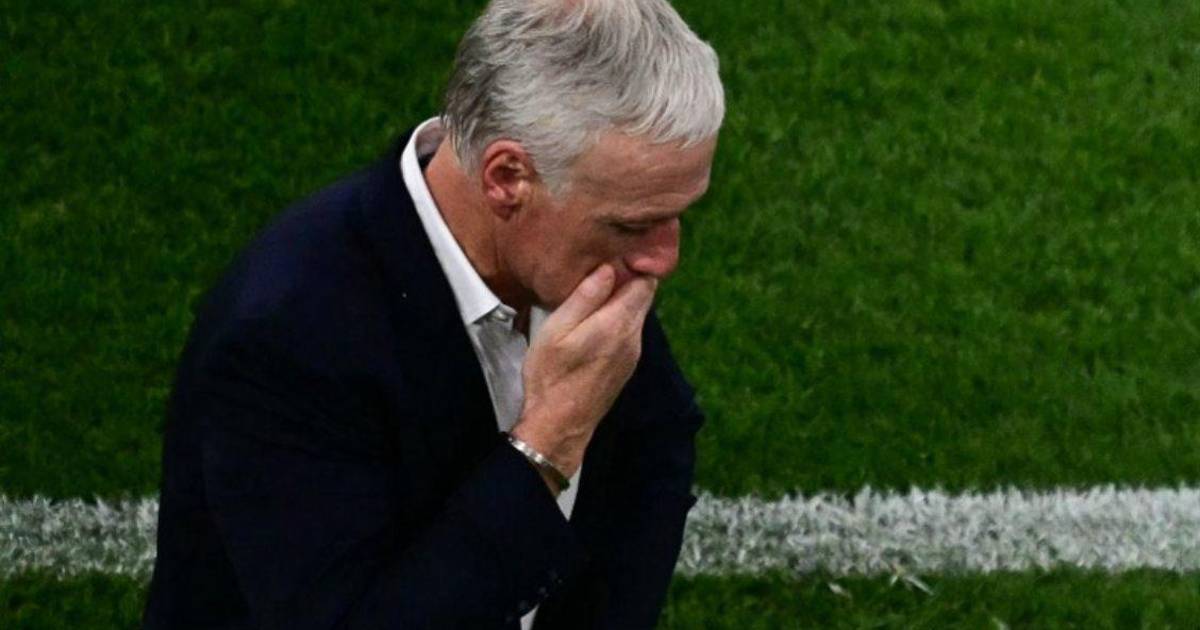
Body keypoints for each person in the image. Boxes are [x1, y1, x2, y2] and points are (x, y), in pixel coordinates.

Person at [142, 0, 724, 627]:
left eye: (676, 216)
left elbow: (648, 474)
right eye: (633, 225)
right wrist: (548, 444)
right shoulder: (287, 337)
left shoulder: (576, 270)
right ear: (507, 178)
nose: (664, 259)